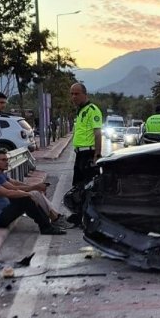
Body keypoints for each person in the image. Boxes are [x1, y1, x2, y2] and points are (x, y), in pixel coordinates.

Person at [0, 153, 65, 235]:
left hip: (3, 210)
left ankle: (49, 222)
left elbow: (13, 185)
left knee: (27, 198)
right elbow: (7, 192)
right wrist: (28, 194)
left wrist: (29, 192)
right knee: (26, 200)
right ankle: (47, 227)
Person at [0, 150, 70, 229]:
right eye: (3, 160)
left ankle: (56, 216)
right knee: (34, 194)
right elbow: (13, 188)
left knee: (36, 192)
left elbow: (15, 182)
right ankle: (55, 219)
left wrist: (34, 186)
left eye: (7, 160)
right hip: (4, 207)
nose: (7, 162)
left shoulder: (1, 174)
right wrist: (34, 187)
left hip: (9, 201)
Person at [66, 82, 103, 224]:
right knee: (78, 185)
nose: (73, 97)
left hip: (89, 153)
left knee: (89, 186)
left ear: (85, 94)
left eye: (76, 93)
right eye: (72, 94)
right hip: (80, 154)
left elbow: (97, 133)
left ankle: (89, 217)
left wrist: (97, 155)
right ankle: (79, 214)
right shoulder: (81, 110)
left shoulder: (92, 110)